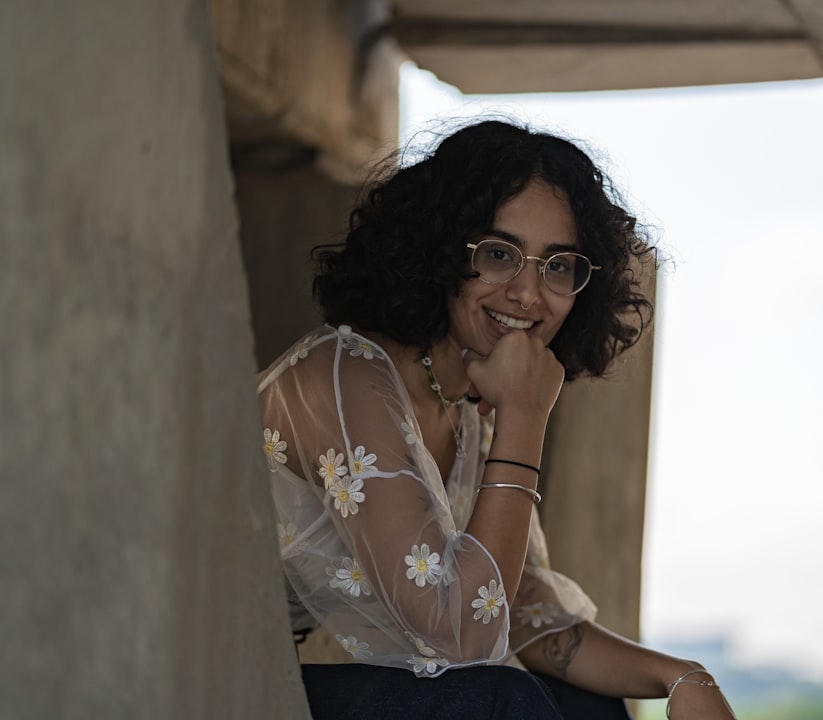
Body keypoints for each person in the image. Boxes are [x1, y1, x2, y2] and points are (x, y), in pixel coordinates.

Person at [257, 119, 737, 719]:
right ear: (437, 251)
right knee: (495, 703)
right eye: (498, 254)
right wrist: (525, 419)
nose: (529, 294)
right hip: (197, 678)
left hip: (285, 681)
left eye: (557, 265)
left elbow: (527, 611)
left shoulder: (467, 408)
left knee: (590, 708)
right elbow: (460, 635)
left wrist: (682, 677)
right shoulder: (345, 375)